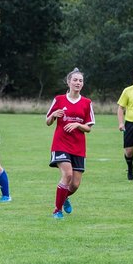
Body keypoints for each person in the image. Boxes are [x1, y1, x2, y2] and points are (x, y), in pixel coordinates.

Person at [46, 68, 95, 219]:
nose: (78, 83)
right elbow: (48, 122)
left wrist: (78, 125)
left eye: (80, 80)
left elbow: (89, 127)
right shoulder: (59, 99)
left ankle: (64, 197)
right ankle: (57, 210)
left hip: (78, 147)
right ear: (68, 82)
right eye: (75, 80)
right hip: (61, 144)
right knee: (67, 175)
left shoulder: (87, 103)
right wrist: (53, 115)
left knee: (74, 185)